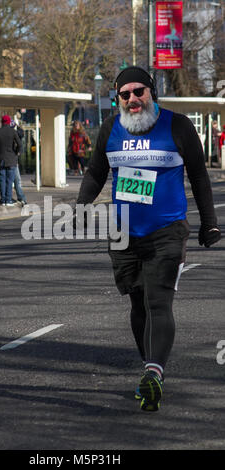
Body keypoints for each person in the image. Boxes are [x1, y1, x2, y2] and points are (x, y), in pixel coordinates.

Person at [74, 66, 221, 412]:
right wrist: (81, 206)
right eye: (124, 95)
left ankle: (155, 371)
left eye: (138, 92)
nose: (132, 99)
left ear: (151, 92)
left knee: (158, 302)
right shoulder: (110, 128)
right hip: (123, 233)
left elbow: (199, 177)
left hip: (166, 231)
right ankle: (150, 373)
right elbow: (96, 171)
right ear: (118, 99)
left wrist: (209, 224)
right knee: (138, 305)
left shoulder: (178, 126)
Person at [0, 115, 21, 206]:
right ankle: (8, 200)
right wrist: (16, 152)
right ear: (8, 122)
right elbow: (19, 144)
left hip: (1, 159)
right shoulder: (13, 131)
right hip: (11, 159)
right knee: (9, 181)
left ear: (2, 122)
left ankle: (2, 200)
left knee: (2, 180)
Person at [10, 119, 27, 207]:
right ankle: (18, 197)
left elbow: (21, 133)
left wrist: (18, 126)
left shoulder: (16, 133)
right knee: (15, 180)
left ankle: (20, 197)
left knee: (15, 180)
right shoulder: (11, 134)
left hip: (13, 159)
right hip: (12, 159)